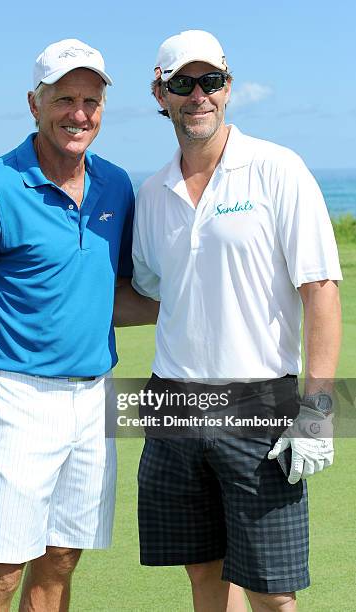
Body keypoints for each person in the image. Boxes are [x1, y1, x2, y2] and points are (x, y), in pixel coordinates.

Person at [122, 29, 342, 612]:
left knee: (274, 593)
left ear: (228, 88)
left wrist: (318, 411)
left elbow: (320, 290)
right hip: (172, 404)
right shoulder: (151, 193)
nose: (199, 95)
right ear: (160, 93)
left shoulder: (276, 168)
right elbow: (153, 295)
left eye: (211, 81)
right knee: (205, 576)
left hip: (259, 403)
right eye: (183, 83)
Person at [0, 38, 135, 612]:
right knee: (0, 572)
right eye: (64, 98)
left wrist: (201, 302)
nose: (79, 113)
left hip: (95, 402)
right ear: (34, 103)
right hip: (17, 400)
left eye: (90, 100)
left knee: (62, 561)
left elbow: (113, 294)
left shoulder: (116, 185)